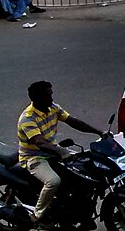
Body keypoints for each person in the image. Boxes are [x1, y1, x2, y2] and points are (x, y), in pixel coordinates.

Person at [17, 81, 104, 227]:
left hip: (53, 152)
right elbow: (40, 142)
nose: (51, 99)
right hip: (35, 157)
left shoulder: (53, 108)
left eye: (51, 94)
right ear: (36, 99)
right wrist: (62, 152)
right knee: (53, 181)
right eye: (47, 96)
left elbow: (74, 122)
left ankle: (80, 215)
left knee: (84, 175)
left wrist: (99, 132)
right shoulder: (27, 118)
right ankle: (36, 216)